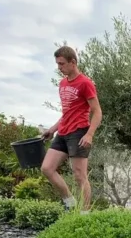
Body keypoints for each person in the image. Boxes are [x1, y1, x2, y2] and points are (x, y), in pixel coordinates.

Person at [41, 46, 102, 210]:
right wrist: (53, 129)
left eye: (61, 64)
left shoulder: (85, 83)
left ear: (73, 62)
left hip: (79, 132)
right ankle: (70, 201)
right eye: (58, 64)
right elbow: (67, 112)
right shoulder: (62, 83)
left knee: (80, 176)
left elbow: (97, 112)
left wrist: (89, 135)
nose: (59, 68)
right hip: (63, 132)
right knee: (47, 168)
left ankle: (85, 214)